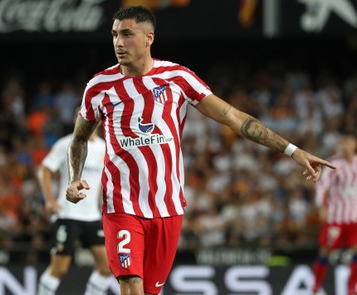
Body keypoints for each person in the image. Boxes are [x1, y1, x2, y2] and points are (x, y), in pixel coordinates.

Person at [65, 6, 336, 295]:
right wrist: (74, 177)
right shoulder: (99, 86)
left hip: (167, 207)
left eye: (127, 34)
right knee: (131, 285)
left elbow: (233, 117)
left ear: (148, 37)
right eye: (115, 34)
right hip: (121, 205)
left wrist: (293, 150)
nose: (118, 42)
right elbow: (79, 138)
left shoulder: (178, 78)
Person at [36, 126, 111, 295]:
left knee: (107, 267)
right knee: (59, 269)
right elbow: (45, 169)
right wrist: (49, 200)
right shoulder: (66, 143)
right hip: (67, 214)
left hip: (92, 217)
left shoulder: (105, 147)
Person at [311, 130, 357, 295]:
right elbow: (322, 186)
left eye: (349, 141)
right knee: (325, 252)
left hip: (354, 217)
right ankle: (315, 288)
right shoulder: (334, 163)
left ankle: (352, 290)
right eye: (343, 142)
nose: (346, 145)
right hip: (335, 217)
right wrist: (321, 206)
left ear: (354, 144)